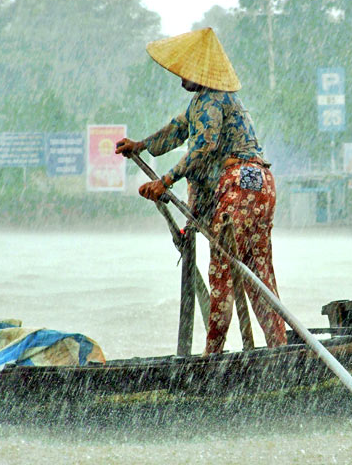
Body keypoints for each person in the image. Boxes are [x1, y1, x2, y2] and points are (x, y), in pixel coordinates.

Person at [115, 28, 287, 355]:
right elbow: (177, 131)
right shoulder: (204, 103)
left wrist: (165, 181)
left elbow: (203, 150)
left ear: (201, 74)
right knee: (258, 277)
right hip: (260, 185)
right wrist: (142, 146)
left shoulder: (212, 101)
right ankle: (282, 353)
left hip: (240, 187)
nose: (181, 77)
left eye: (186, 72)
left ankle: (211, 363)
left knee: (222, 275)